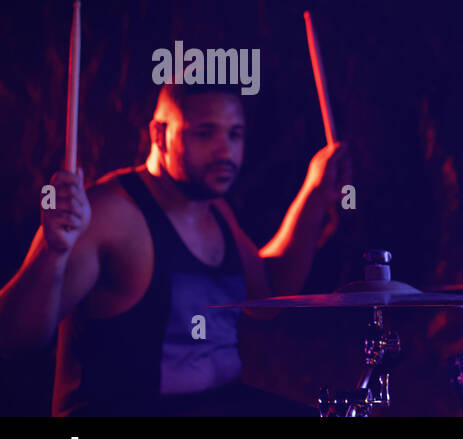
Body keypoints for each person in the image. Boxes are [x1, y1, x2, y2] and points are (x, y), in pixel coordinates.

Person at [0, 83, 348, 416]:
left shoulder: (214, 208)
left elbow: (267, 294)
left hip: (222, 406)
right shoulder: (110, 213)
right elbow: (13, 340)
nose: (225, 151)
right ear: (158, 134)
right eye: (204, 132)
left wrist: (314, 196)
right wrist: (53, 252)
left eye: (234, 133)